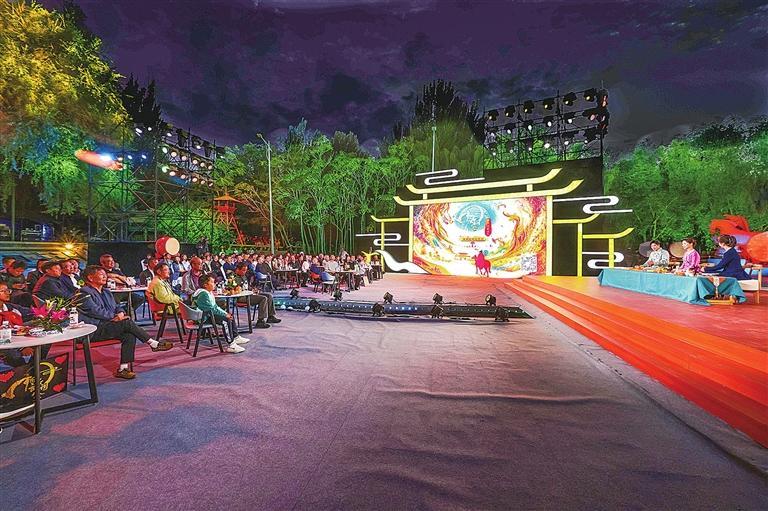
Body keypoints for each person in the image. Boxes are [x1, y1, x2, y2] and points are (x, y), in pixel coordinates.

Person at [78, 266, 173, 379]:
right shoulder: (83, 293)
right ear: (90, 278)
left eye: (105, 274)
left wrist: (120, 313)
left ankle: (123, 368)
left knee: (129, 335)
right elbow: (95, 311)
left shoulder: (106, 291)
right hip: (94, 329)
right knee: (127, 323)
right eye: (101, 274)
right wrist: (114, 317)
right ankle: (153, 343)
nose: (105, 276)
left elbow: (117, 306)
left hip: (108, 326)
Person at [191, 274, 248, 353]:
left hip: (207, 314)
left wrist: (225, 313)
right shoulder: (203, 294)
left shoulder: (207, 292)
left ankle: (236, 337)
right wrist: (225, 315)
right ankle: (231, 345)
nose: (214, 284)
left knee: (229, 315)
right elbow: (212, 309)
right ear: (205, 285)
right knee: (226, 320)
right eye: (212, 282)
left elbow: (215, 307)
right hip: (202, 318)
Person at [231, 262, 278, 328]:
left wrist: (253, 289)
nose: (245, 272)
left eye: (246, 270)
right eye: (243, 270)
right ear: (238, 269)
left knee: (269, 296)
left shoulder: (243, 276)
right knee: (263, 298)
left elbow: (247, 286)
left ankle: (271, 316)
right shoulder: (233, 277)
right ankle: (260, 321)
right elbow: (233, 289)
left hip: (249, 293)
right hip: (241, 297)